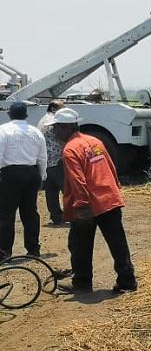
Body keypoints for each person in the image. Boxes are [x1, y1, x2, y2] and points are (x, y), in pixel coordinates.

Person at [50, 108, 137, 293]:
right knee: (117, 242)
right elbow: (110, 166)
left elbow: (77, 180)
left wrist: (81, 206)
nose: (54, 132)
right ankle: (127, 281)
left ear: (65, 127)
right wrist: (115, 188)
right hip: (109, 198)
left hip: (89, 204)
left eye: (56, 128)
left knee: (79, 244)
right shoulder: (94, 141)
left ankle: (82, 283)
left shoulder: (70, 149)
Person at [0, 101, 47, 259]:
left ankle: (5, 252)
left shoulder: (3, 130)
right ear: (26, 115)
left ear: (9, 114)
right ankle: (33, 249)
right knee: (30, 213)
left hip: (10, 174)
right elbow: (42, 158)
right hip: (31, 172)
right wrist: (41, 176)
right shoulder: (36, 132)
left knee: (6, 214)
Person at [38, 100, 67, 225]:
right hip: (57, 161)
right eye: (62, 107)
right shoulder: (53, 122)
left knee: (51, 191)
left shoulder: (42, 120)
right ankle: (75, 215)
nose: (64, 110)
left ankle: (56, 216)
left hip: (46, 163)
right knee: (68, 189)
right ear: (54, 109)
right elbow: (61, 140)